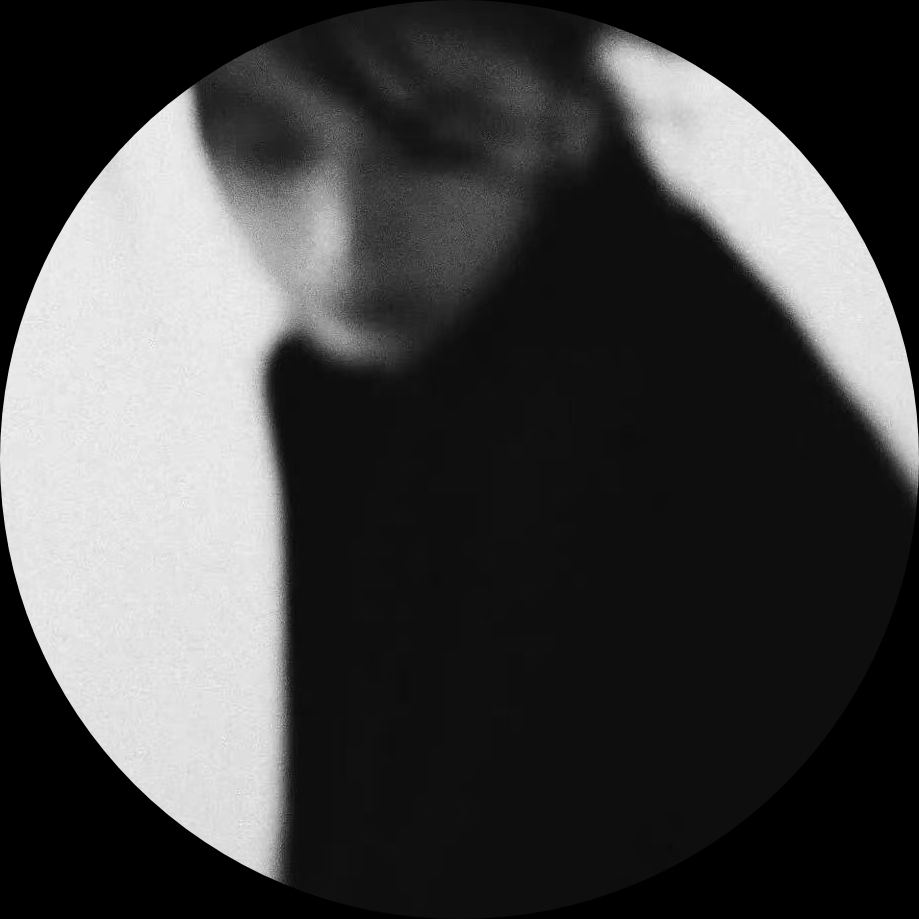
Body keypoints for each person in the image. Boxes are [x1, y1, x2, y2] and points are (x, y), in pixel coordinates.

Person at [193, 4, 914, 915]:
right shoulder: (350, 381)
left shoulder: (658, 417)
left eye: (432, 140)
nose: (342, 237)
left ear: (570, 108)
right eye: (265, 148)